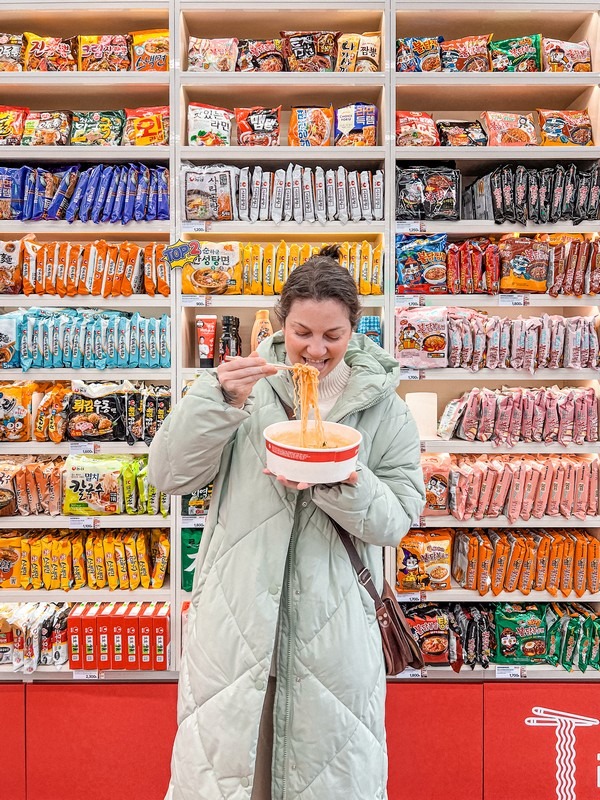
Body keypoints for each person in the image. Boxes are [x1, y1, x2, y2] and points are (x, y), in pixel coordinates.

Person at [148, 245, 425, 800]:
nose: (315, 350)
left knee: (327, 779)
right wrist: (216, 398)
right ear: (280, 322)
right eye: (302, 332)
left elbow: (396, 519)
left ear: (354, 330)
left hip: (334, 634)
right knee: (228, 779)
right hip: (237, 623)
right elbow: (169, 475)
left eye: (333, 335)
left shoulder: (384, 407)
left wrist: (342, 482)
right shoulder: (244, 390)